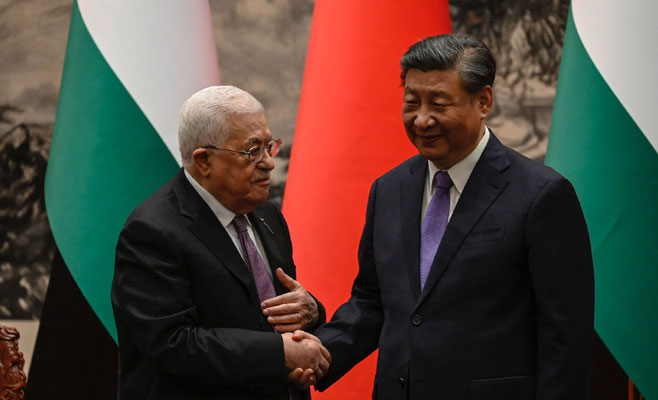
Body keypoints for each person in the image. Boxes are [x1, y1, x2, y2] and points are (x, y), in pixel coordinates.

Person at [311, 34, 594, 399]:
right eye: (412, 103)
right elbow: (373, 300)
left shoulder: (541, 195)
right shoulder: (389, 189)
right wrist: (318, 353)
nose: (422, 119)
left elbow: (565, 335)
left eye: (439, 104)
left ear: (483, 101)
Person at [112, 85, 330, 400]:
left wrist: (312, 312)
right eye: (253, 150)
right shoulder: (152, 232)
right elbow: (172, 344)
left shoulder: (267, 214)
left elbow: (273, 314)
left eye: (269, 145)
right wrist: (278, 353)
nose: (268, 162)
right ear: (204, 161)